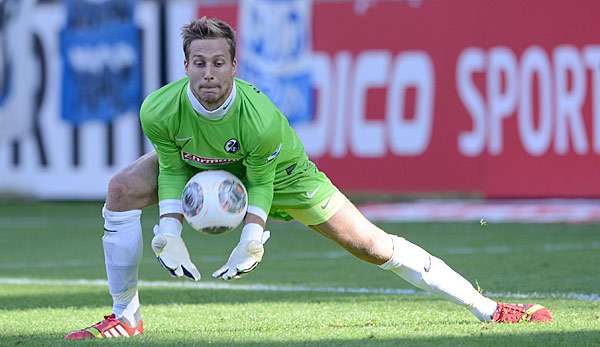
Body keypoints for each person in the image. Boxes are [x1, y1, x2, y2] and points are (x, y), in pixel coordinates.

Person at [65, 17, 552, 340]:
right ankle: (125, 316)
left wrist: (251, 240)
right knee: (121, 190)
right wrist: (169, 230)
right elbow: (171, 168)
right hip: (198, 164)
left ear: (235, 65)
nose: (208, 74)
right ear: (186, 65)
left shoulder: (260, 119)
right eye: (199, 63)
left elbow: (261, 181)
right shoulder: (160, 109)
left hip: (284, 175)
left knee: (372, 246)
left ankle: (486, 307)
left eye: (218, 63)